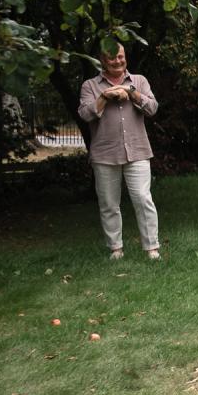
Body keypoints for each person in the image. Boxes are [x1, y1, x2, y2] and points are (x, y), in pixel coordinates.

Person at [78, 43, 161, 260]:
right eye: (112, 58)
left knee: (143, 198)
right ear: (102, 60)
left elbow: (152, 108)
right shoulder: (90, 85)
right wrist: (105, 97)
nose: (117, 61)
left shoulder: (139, 81)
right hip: (105, 153)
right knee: (108, 203)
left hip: (138, 150)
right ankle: (116, 249)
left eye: (121, 57)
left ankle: (152, 248)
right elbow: (85, 114)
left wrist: (131, 93)